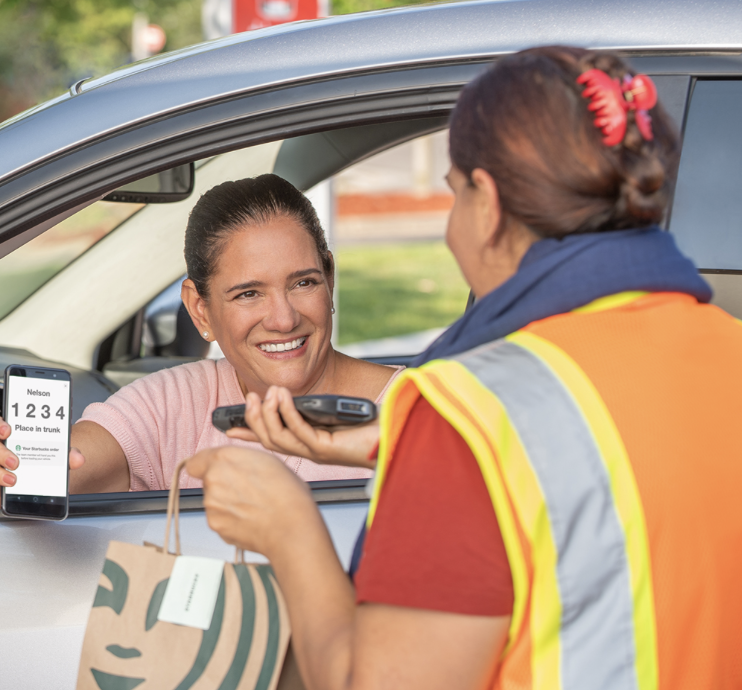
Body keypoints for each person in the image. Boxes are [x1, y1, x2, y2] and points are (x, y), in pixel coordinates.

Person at [184, 46, 742, 689]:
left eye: (454, 196)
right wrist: (404, 447)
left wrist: (290, 528)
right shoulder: (724, 349)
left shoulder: (472, 415)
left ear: (490, 202)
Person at [0, 174, 400, 509]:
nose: (284, 318)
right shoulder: (176, 402)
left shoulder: (424, 407)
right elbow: (73, 466)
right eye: (249, 293)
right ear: (200, 310)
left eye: (303, 283)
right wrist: (8, 466)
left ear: (329, 277)